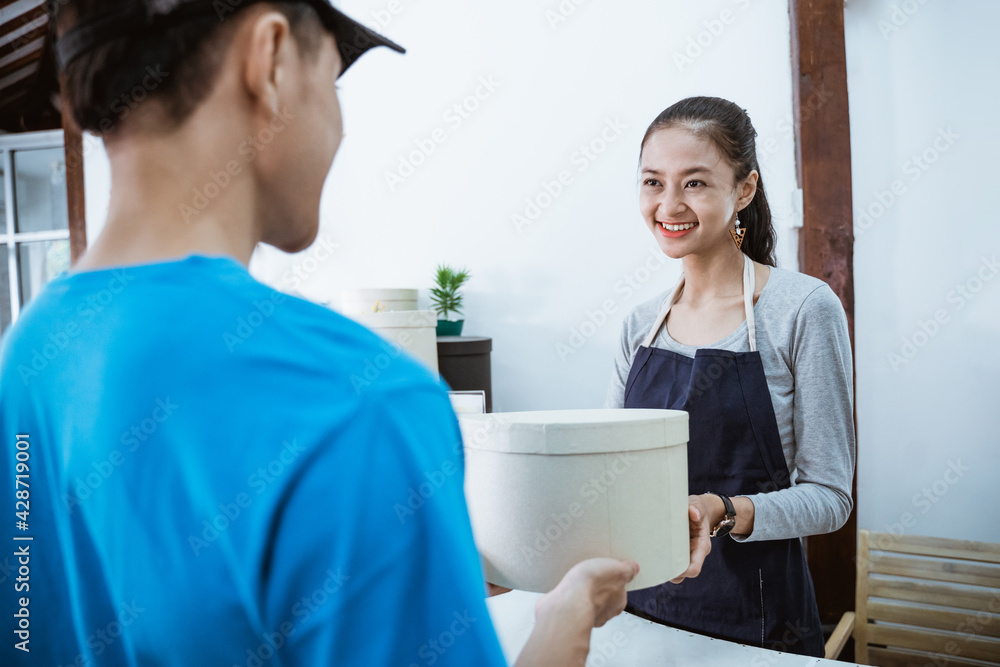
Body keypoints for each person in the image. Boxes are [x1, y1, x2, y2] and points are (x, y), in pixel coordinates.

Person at [0, 2, 643, 665]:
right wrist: (557, 629)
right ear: (270, 59)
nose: (338, 129)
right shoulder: (358, 404)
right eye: (333, 82)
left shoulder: (26, 359)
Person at [604, 96, 856, 657]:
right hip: (644, 610)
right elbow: (612, 475)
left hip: (761, 623)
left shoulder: (802, 308)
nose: (668, 204)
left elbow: (831, 497)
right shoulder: (640, 326)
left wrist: (721, 511)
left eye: (694, 183)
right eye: (652, 182)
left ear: (744, 189)